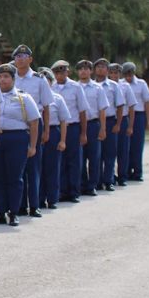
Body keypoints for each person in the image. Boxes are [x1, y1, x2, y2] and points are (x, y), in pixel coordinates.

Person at [0, 64, 41, 227]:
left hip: (16, 138)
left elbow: (34, 123)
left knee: (14, 177)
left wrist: (33, 146)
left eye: (6, 77)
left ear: (13, 79)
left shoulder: (23, 97)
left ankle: (14, 212)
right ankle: (0, 212)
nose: (2, 80)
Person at [11, 45, 53, 218]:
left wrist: (47, 130)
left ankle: (34, 204)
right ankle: (20, 205)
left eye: (23, 56)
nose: (20, 59)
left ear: (30, 59)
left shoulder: (39, 79)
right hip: (15, 125)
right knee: (17, 167)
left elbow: (47, 106)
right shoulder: (10, 77)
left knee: (34, 166)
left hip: (35, 124)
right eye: (17, 56)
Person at [50, 61, 89, 204]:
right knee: (60, 160)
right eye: (57, 73)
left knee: (74, 160)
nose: (60, 75)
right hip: (58, 127)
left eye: (62, 72)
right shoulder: (51, 87)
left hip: (73, 127)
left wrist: (83, 133)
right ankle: (62, 190)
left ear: (68, 72)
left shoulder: (76, 87)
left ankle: (74, 191)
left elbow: (82, 111)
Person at [35, 67, 68, 211]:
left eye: (47, 80)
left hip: (53, 132)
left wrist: (62, 140)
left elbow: (63, 121)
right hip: (36, 132)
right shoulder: (32, 97)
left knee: (52, 167)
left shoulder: (57, 98)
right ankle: (39, 199)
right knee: (38, 168)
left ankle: (52, 198)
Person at [76, 60, 109, 197]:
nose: (83, 71)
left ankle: (93, 185)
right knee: (80, 156)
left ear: (91, 71)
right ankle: (82, 184)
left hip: (93, 124)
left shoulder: (97, 88)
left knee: (94, 156)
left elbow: (102, 110)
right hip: (78, 125)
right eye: (80, 69)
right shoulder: (74, 87)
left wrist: (103, 128)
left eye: (86, 69)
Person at [93, 58, 124, 192]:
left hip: (110, 120)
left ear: (107, 70)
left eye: (104, 67)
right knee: (96, 154)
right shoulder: (90, 85)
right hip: (95, 121)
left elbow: (120, 106)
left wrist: (118, 123)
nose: (100, 69)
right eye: (98, 67)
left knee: (110, 152)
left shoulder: (114, 86)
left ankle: (109, 180)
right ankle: (97, 180)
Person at [122, 62, 149, 181]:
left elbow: (147, 102)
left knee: (137, 144)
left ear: (134, 73)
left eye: (130, 75)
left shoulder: (141, 84)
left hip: (138, 115)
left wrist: (148, 120)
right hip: (125, 115)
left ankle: (137, 172)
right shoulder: (121, 84)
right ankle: (126, 171)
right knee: (126, 145)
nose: (128, 78)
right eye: (126, 75)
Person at [109, 63, 137, 186]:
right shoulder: (105, 86)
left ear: (120, 74)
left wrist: (130, 126)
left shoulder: (125, 86)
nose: (113, 75)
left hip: (123, 119)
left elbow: (131, 107)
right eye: (111, 73)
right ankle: (110, 176)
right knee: (110, 150)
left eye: (116, 73)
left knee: (123, 149)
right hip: (110, 120)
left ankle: (122, 175)